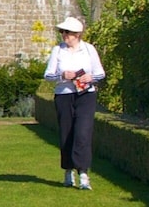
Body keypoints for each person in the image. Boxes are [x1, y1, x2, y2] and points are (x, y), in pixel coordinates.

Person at [44, 16, 106, 190]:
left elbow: (100, 73)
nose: (64, 35)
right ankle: (68, 171)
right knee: (66, 133)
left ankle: (83, 174)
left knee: (83, 133)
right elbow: (48, 75)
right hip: (64, 95)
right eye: (63, 32)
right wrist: (62, 76)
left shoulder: (88, 50)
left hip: (86, 95)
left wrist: (90, 77)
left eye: (68, 33)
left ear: (77, 34)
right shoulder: (58, 50)